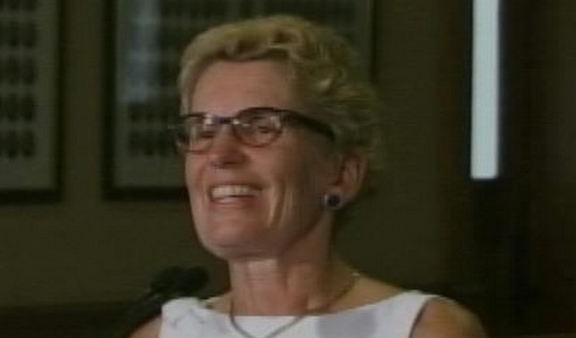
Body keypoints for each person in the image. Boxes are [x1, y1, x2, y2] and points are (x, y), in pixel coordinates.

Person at [131, 15, 487, 338]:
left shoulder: (423, 330)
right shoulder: (163, 333)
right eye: (203, 129)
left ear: (342, 172)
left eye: (259, 125)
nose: (220, 154)